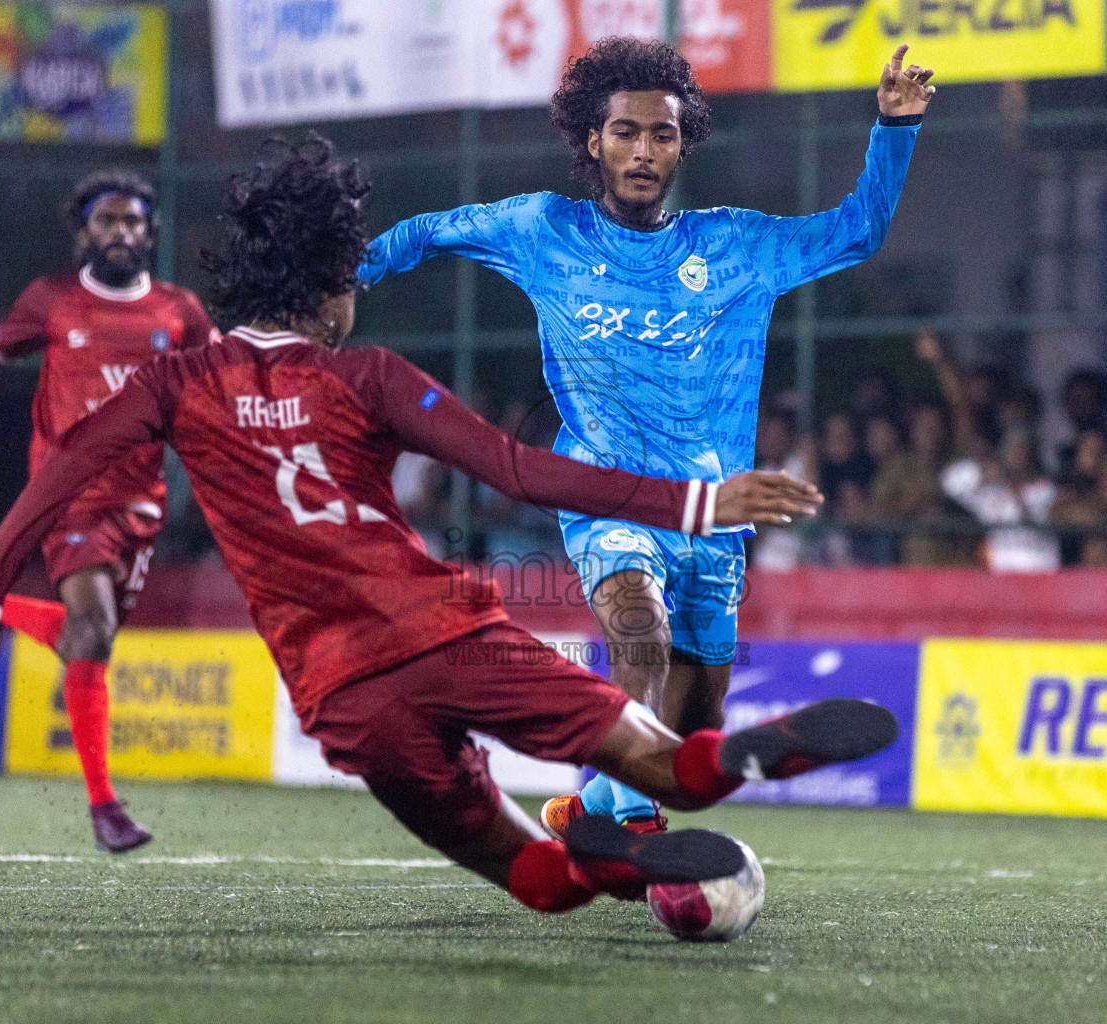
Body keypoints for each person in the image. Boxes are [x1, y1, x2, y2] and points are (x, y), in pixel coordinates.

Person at [0, 136, 899, 914]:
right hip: (452, 636)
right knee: (667, 767)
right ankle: (708, 773)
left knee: (539, 883)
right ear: (333, 294)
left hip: (344, 699)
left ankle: (610, 862)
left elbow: (65, 464)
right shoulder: (366, 377)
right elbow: (518, 467)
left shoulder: (174, 381)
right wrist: (694, 501)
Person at [358, 38, 935, 835]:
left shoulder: (734, 246)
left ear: (682, 143)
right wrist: (344, 277)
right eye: (625, 132)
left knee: (695, 731)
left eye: (661, 135)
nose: (642, 150)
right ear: (592, 142)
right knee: (640, 630)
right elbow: (426, 232)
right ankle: (634, 831)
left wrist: (894, 128)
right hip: (606, 492)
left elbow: (857, 232)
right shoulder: (541, 229)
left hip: (712, 511)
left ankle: (594, 803)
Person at [0, 170, 219, 852]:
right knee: (95, 624)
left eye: (132, 222)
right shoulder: (52, 300)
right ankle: (104, 807)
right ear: (83, 230)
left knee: (92, 636)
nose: (120, 232)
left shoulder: (181, 312)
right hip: (68, 498)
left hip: (143, 504)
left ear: (150, 233)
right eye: (106, 221)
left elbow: (219, 392)